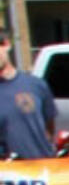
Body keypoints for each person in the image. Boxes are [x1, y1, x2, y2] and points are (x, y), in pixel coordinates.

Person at [0, 29, 56, 159]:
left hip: (43, 169)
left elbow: (49, 127)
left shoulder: (36, 85)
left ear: (6, 45)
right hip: (7, 173)